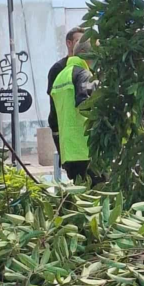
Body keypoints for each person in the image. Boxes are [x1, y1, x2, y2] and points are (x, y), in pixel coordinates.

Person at [49, 37, 96, 183]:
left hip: (69, 151)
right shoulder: (84, 74)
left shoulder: (60, 77)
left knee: (80, 191)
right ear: (85, 53)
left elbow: (53, 119)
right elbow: (84, 103)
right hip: (86, 149)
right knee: (99, 192)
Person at [47, 26, 84, 155]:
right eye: (79, 41)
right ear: (69, 43)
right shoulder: (58, 68)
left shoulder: (87, 67)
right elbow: (54, 101)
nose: (83, 45)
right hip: (63, 126)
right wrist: (56, 129)